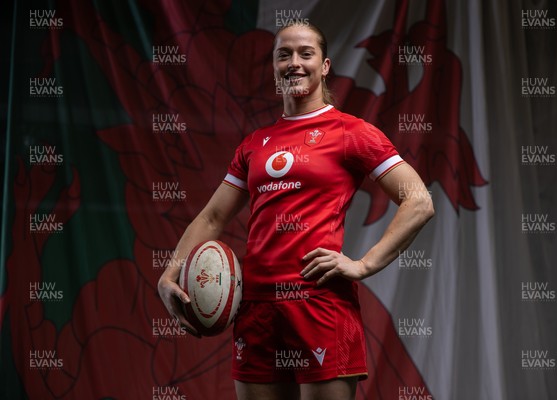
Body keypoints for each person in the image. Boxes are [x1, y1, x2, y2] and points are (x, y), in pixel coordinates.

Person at [158, 21, 434, 400]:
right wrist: (170, 272)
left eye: (306, 54)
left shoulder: (351, 132)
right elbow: (212, 218)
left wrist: (364, 265)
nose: (294, 63)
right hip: (255, 309)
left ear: (324, 66)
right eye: (283, 54)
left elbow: (418, 200)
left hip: (319, 304)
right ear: (274, 67)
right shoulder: (254, 144)